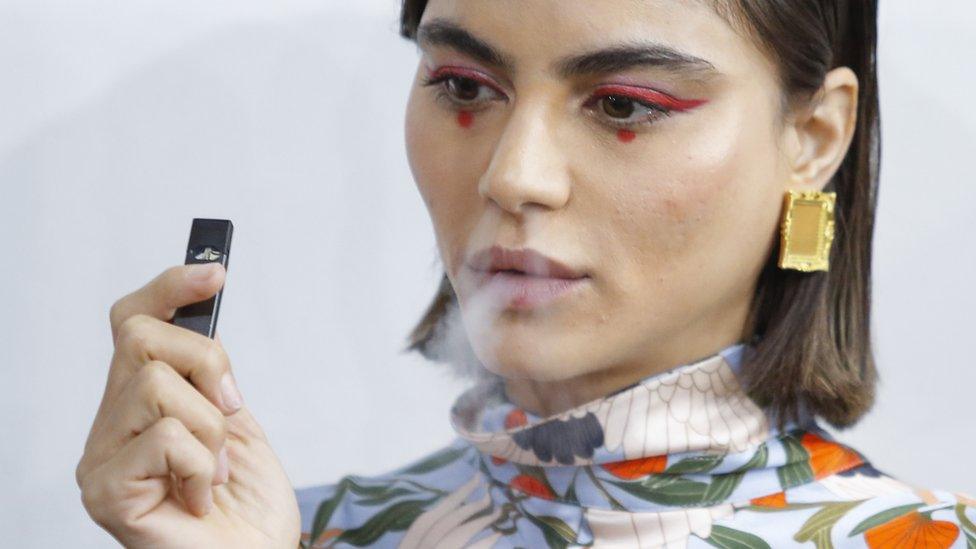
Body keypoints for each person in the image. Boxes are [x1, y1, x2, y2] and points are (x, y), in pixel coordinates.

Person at [76, 0, 976, 548]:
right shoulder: (305, 534)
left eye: (626, 103)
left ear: (814, 137)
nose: (513, 174)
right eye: (465, 87)